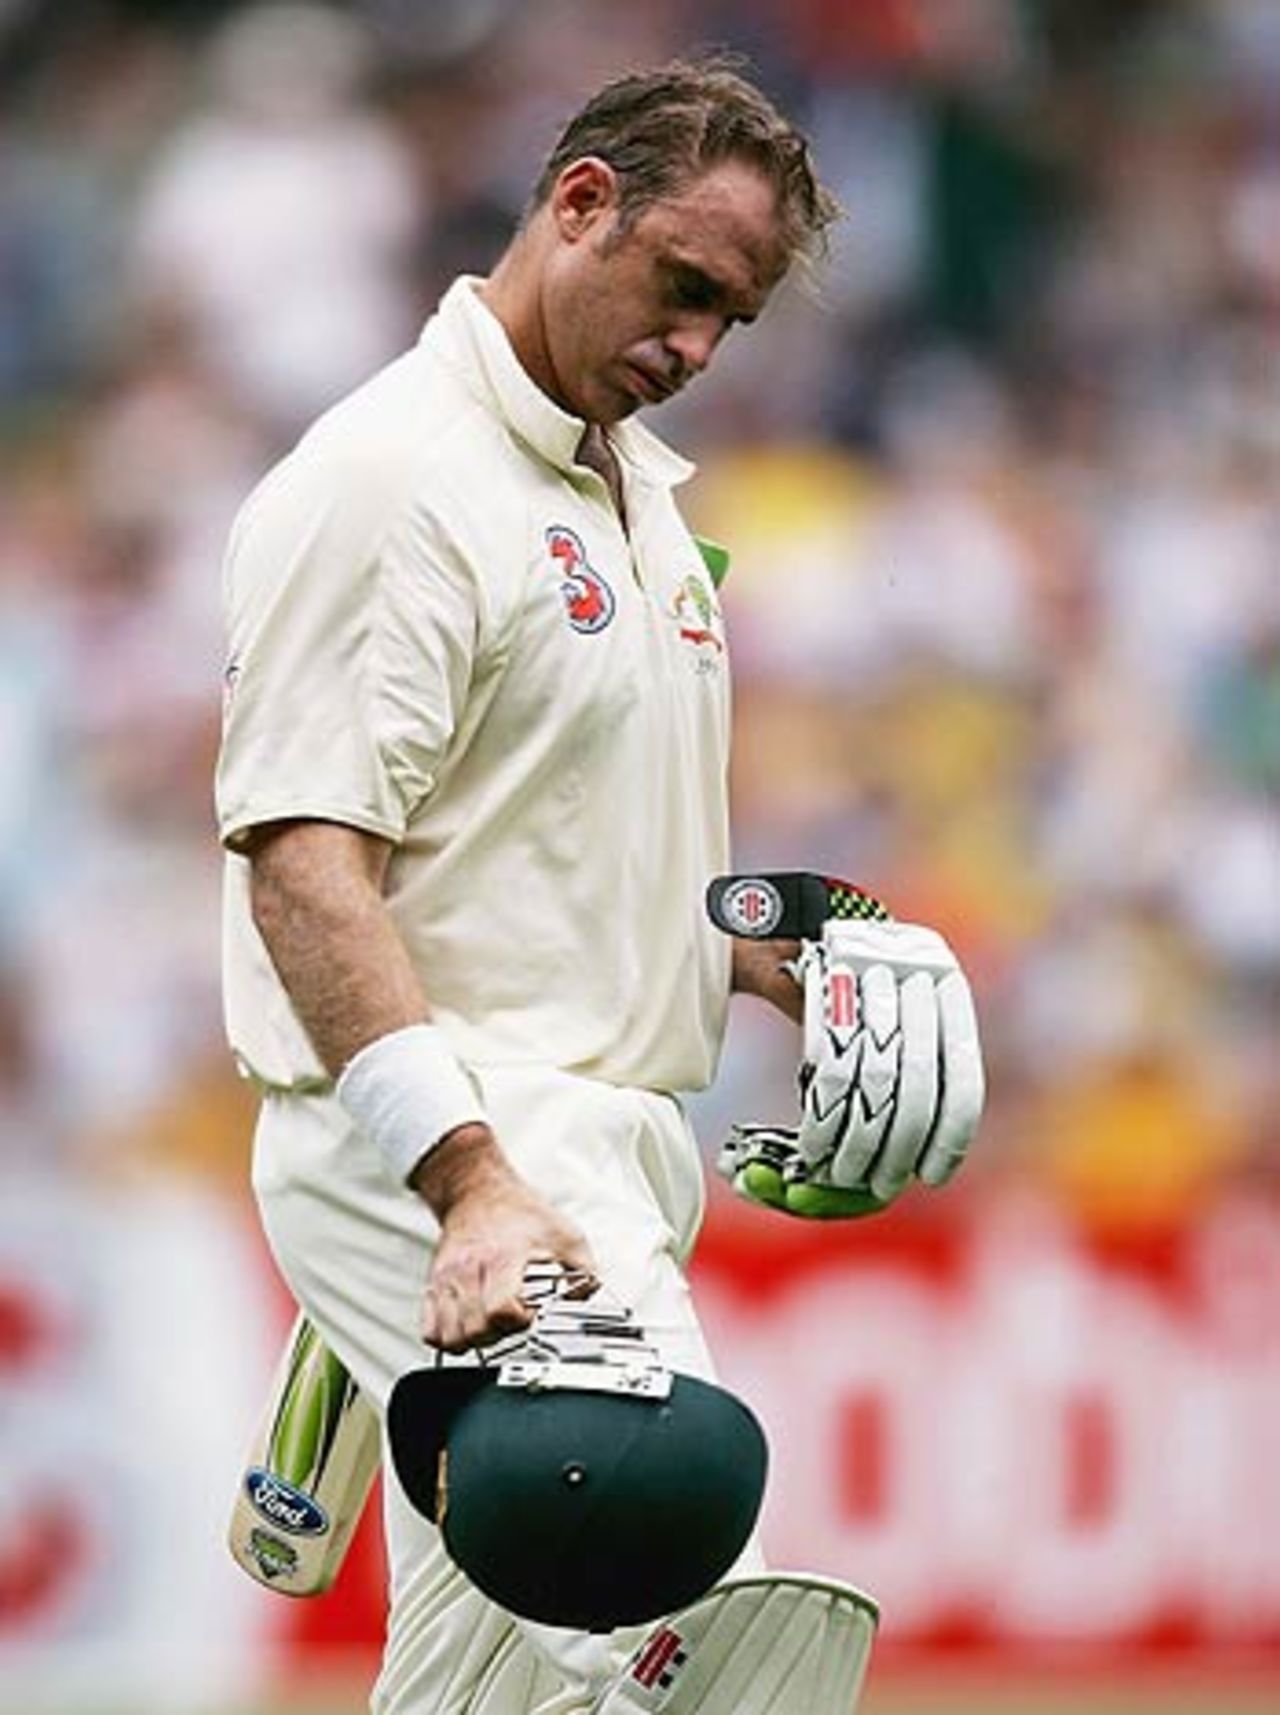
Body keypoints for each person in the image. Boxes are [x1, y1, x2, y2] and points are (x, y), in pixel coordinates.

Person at [215, 56, 978, 1715]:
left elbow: (550, 849)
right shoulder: (394, 480)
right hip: (486, 1146)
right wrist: (468, 1181)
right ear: (578, 207)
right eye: (683, 288)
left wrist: (772, 959)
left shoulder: (623, 487)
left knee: (483, 1694)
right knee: (653, 1620)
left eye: (735, 320)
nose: (698, 347)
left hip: (591, 1139)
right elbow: (306, 865)